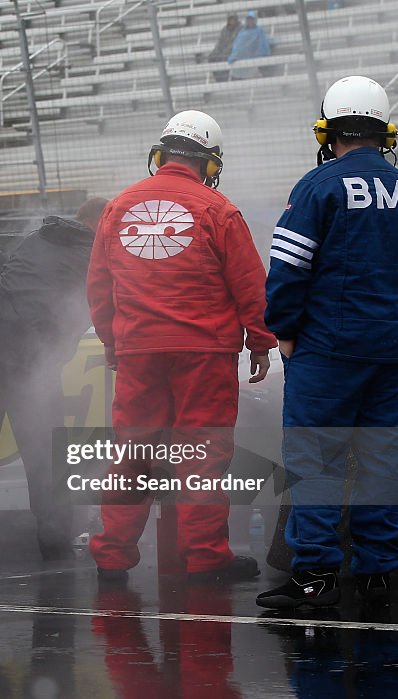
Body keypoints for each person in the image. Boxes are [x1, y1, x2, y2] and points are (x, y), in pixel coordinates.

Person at [256, 76, 398, 609]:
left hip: (328, 352)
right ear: (385, 133)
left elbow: (288, 271)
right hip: (392, 350)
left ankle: (313, 575)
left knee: (316, 461)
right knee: (381, 460)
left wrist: (285, 331)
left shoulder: (319, 186)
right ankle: (378, 572)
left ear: (328, 132)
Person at [87, 110, 275, 583]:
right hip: (204, 352)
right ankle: (206, 556)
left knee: (132, 452)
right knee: (202, 454)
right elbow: (250, 285)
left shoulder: (117, 207)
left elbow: (98, 286)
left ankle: (111, 553)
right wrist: (260, 340)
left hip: (139, 351)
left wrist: (114, 342)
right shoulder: (220, 210)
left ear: (160, 155)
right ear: (210, 163)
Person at [0, 198, 109, 564]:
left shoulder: (36, 237)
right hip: (30, 357)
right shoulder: (94, 256)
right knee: (45, 452)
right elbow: (105, 309)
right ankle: (55, 545)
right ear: (100, 226)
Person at [227, 10, 271, 79]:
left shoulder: (259, 31)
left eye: (251, 19)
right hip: (240, 55)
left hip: (253, 54)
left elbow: (262, 44)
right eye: (248, 19)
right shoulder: (242, 31)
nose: (250, 21)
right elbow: (237, 44)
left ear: (255, 20)